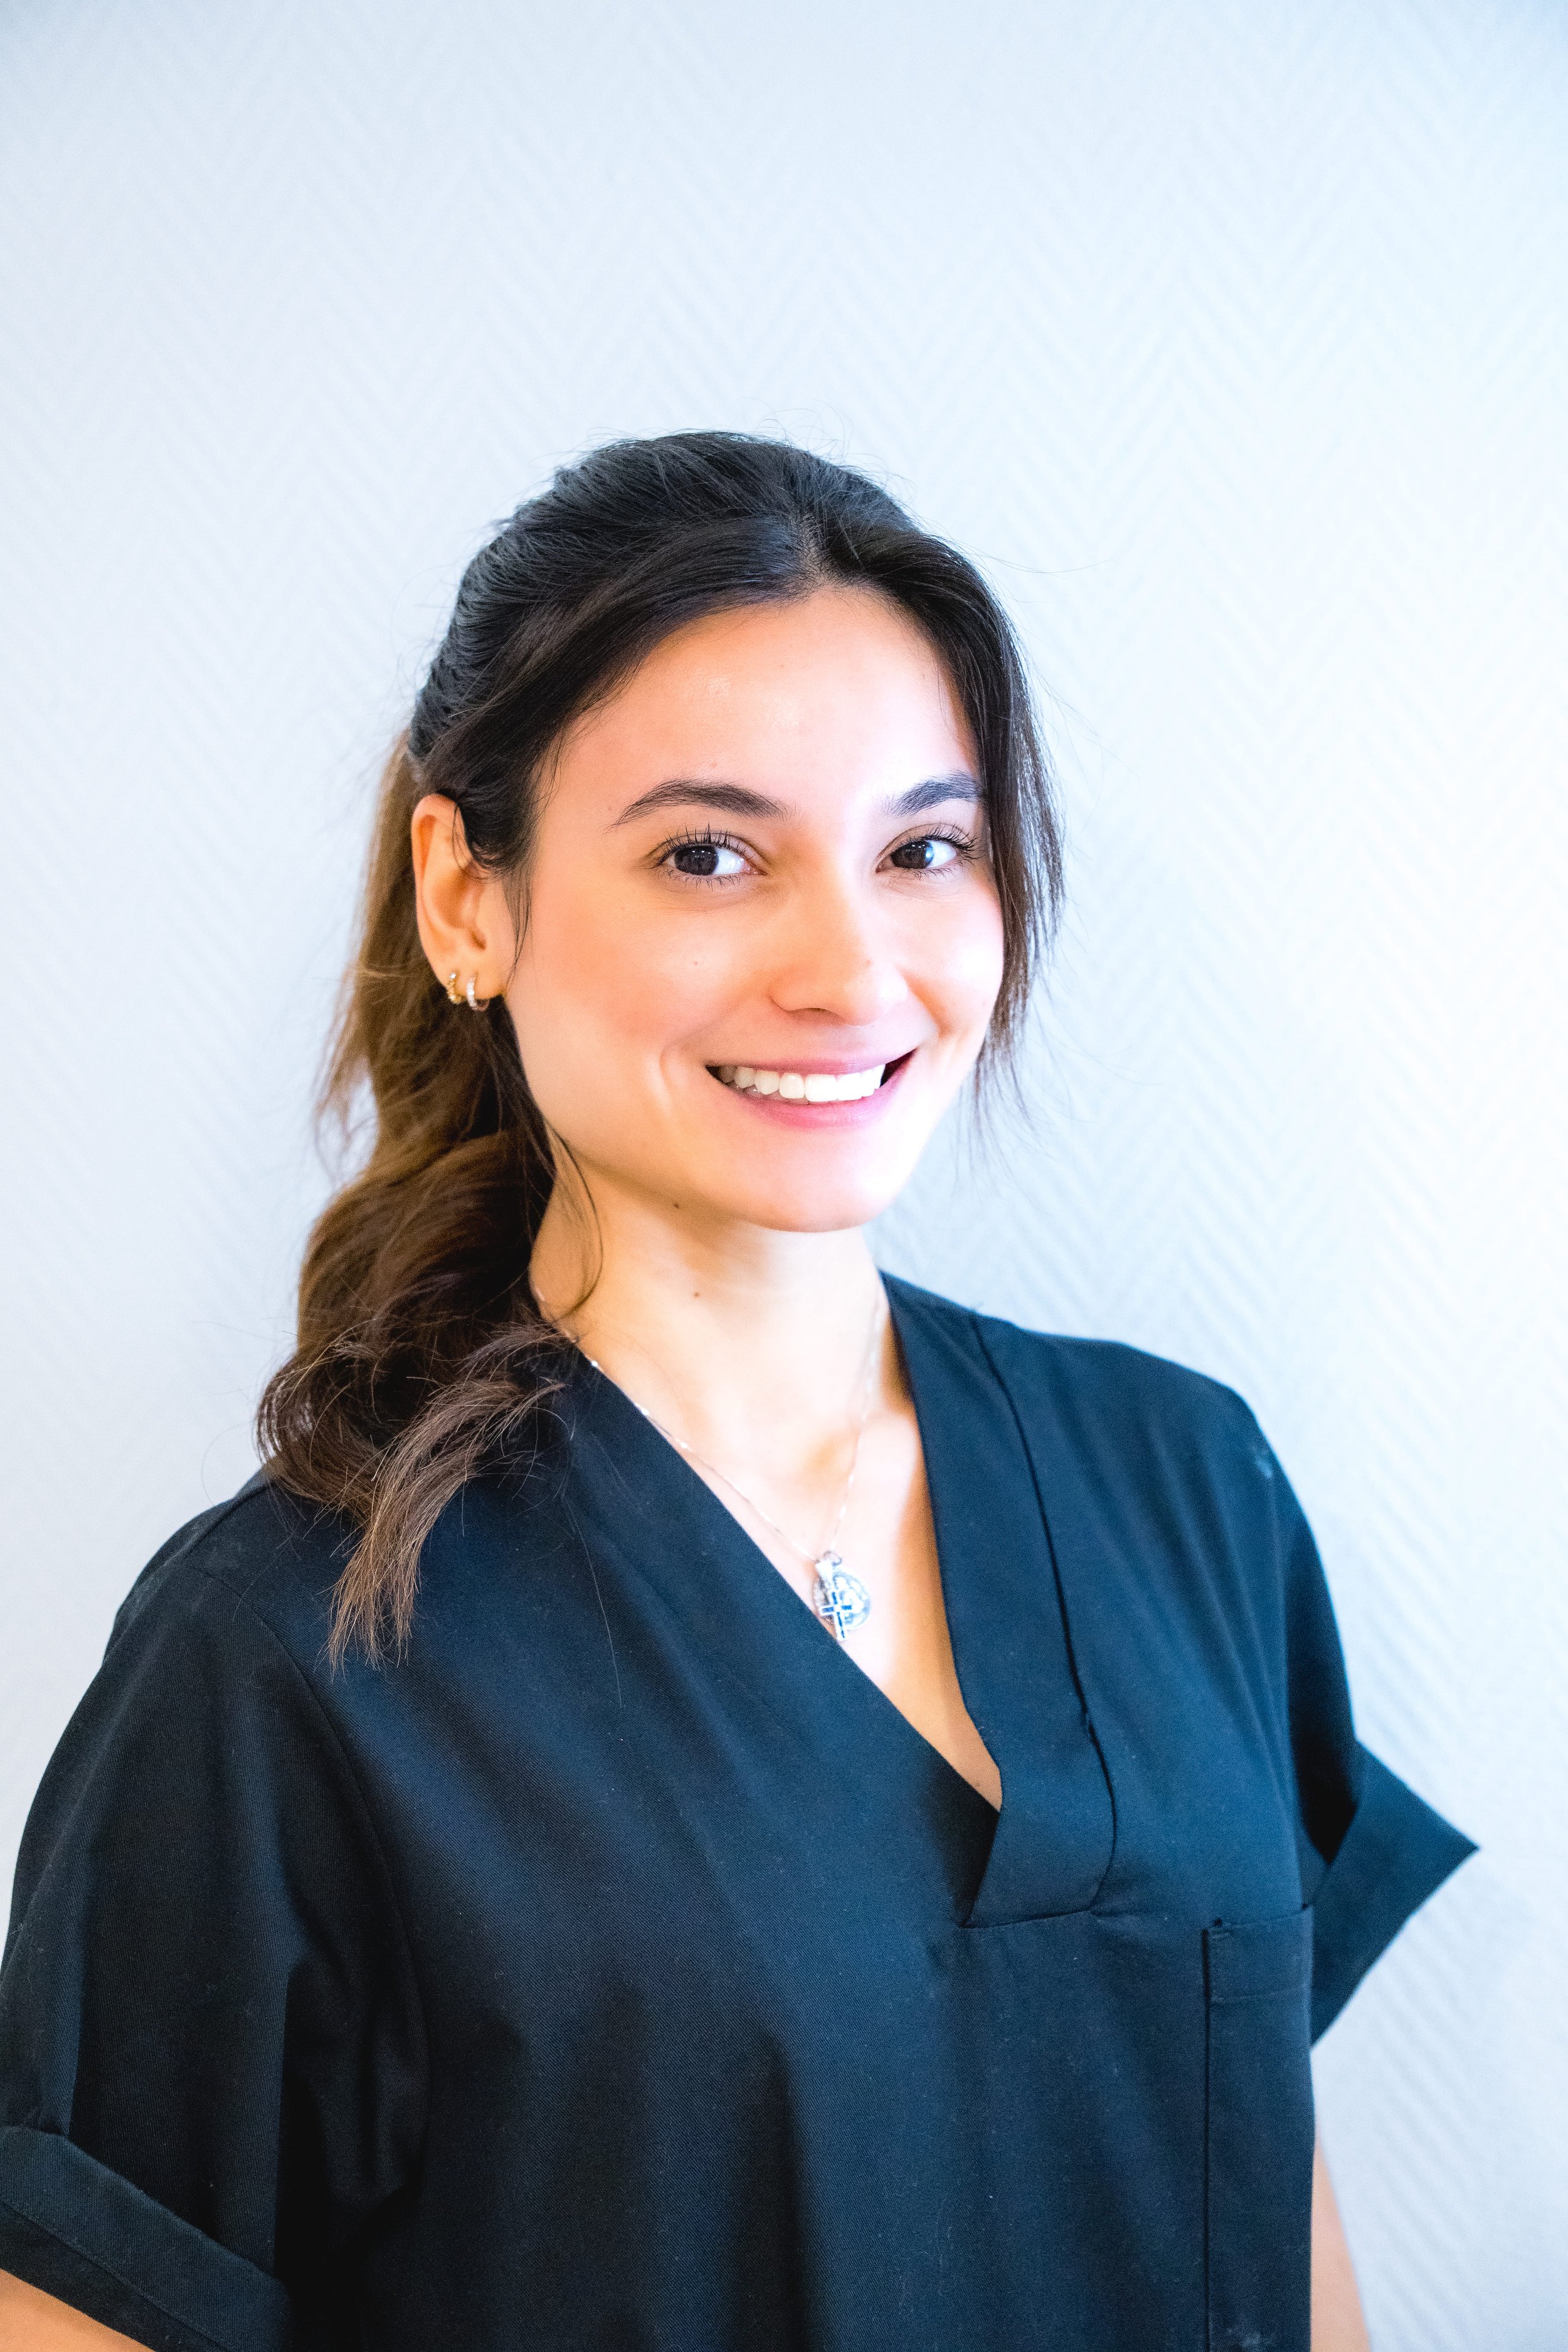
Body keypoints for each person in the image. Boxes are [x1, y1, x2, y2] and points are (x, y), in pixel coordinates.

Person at [0, 433, 1471, 2352]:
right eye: (710, 855)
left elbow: (1274, 2230)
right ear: (468, 896)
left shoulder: (1180, 1484)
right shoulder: (287, 1654)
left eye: (919, 850)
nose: (847, 968)